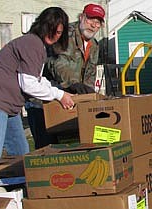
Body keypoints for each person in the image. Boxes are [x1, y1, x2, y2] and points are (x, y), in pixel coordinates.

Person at [0, 6, 74, 167]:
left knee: (20, 152)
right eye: (51, 29)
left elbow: (37, 79)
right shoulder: (32, 43)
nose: (53, 35)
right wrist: (59, 95)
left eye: (59, 32)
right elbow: (29, 85)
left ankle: (17, 187)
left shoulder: (39, 47)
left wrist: (60, 93)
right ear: (42, 25)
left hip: (9, 105)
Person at [26, 3, 105, 149]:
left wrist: (88, 96)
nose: (93, 26)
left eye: (98, 23)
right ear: (81, 17)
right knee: (47, 147)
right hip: (44, 100)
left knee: (75, 147)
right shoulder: (64, 34)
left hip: (71, 101)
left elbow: (90, 73)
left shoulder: (94, 45)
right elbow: (57, 63)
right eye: (90, 20)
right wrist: (73, 84)